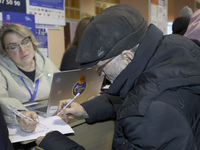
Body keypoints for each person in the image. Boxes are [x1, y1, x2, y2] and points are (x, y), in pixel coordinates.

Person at [37, 4, 200, 149]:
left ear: (127, 56)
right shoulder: (175, 45)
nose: (100, 73)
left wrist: (54, 143)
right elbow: (141, 93)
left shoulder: (146, 113)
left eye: (100, 66)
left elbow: (143, 104)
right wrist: (86, 109)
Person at [0, 24, 59, 133]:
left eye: (25, 42)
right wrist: (20, 114)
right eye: (13, 47)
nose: (22, 50)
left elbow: (62, 87)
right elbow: (1, 100)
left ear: (32, 42)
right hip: (20, 128)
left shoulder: (45, 62)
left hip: (52, 120)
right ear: (5, 52)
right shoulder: (1, 70)